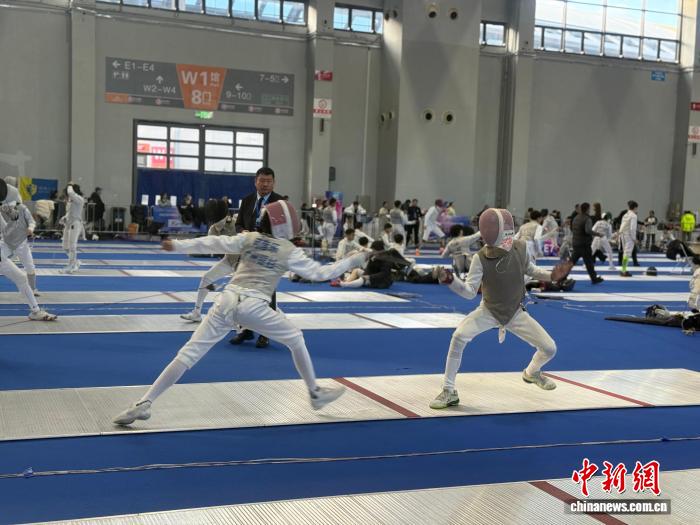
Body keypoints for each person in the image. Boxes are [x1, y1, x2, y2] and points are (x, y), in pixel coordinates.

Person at [113, 201, 369, 426]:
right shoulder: (288, 250)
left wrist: (177, 245)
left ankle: (145, 402)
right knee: (295, 338)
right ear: (285, 226)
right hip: (254, 306)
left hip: (225, 301)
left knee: (188, 353)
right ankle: (315, 392)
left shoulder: (250, 238)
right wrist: (354, 261)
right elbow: (321, 273)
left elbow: (214, 242)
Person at [429, 208, 572, 410]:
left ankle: (531, 372)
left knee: (550, 349)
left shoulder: (520, 247)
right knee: (459, 337)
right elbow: (469, 292)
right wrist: (451, 281)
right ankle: (448, 390)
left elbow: (530, 270)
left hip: (515, 312)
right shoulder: (480, 258)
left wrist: (552, 276)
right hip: (489, 310)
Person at [231, 167, 283, 348]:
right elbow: (238, 224)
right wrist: (243, 232)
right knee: (242, 294)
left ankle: (265, 334)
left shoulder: (280, 203)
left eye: (269, 181)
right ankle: (245, 330)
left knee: (267, 295)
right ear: (256, 182)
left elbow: (282, 231)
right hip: (247, 254)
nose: (265, 184)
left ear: (274, 183)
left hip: (268, 255)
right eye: (262, 181)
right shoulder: (247, 200)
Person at [180, 214, 239, 323]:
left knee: (241, 293)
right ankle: (196, 313)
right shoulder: (213, 229)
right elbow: (211, 247)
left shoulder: (236, 222)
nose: (216, 223)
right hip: (229, 260)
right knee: (207, 278)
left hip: (245, 264)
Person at [0, 200, 40, 295]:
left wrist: (30, 228)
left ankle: (33, 289)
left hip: (21, 244)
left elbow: (31, 221)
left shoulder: (23, 208)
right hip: (6, 243)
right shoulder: (2, 209)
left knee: (30, 266)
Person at [571, 202, 604, 284]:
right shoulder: (587, 219)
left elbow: (572, 229)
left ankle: (562, 277)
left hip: (575, 243)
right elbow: (588, 231)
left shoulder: (576, 218)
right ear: (587, 209)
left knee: (571, 263)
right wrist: (598, 234)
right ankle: (594, 278)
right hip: (584, 244)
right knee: (589, 263)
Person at [60, 184, 85, 274]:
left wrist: (69, 185)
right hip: (68, 224)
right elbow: (70, 212)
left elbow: (70, 193)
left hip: (75, 224)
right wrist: (64, 217)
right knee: (65, 247)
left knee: (72, 246)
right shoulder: (71, 200)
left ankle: (71, 265)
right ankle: (75, 262)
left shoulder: (79, 199)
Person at [619, 201, 639, 277]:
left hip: (623, 235)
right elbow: (632, 229)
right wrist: (634, 239)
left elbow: (622, 226)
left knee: (625, 253)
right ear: (635, 207)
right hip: (629, 236)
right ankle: (623, 271)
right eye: (637, 208)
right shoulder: (633, 216)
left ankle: (623, 270)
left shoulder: (625, 214)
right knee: (627, 254)